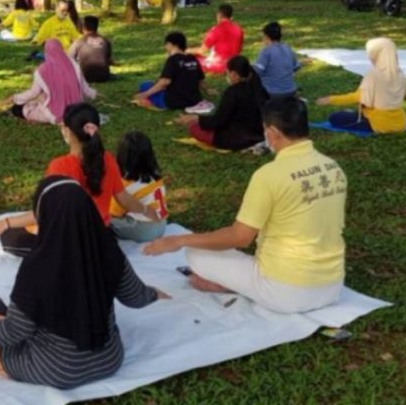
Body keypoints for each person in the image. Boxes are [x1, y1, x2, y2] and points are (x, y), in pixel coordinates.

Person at [0, 175, 168, 389]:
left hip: (57, 367)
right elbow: (135, 298)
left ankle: (2, 315)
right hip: (109, 358)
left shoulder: (37, 266)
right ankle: (7, 313)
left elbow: (14, 332)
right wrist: (153, 293)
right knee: (18, 320)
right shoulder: (108, 250)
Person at [145, 97, 347, 314]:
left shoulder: (269, 176)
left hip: (286, 292)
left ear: (272, 132)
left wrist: (179, 240)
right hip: (333, 286)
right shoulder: (333, 167)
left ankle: (231, 285)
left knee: (195, 253)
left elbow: (240, 237)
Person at [0, 103, 159, 257]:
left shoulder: (60, 166)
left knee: (9, 237)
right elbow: (124, 198)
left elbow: (45, 213)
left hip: (70, 241)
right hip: (100, 236)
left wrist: (5, 223)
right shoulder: (109, 159)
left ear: (66, 130)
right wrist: (147, 210)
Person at [316, 37, 406, 134]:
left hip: (379, 124)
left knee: (335, 117)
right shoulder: (399, 73)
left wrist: (331, 99)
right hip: (401, 123)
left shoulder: (374, 74)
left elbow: (358, 97)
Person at [175, 56, 268, 150]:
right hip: (260, 133)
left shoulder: (232, 92)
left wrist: (196, 118)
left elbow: (219, 121)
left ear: (234, 74)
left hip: (239, 138)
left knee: (194, 128)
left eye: (227, 73)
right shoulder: (259, 87)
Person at [0, 39, 96, 125]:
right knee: (38, 100)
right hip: (77, 111)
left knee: (19, 109)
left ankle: (22, 112)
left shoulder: (42, 71)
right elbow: (84, 87)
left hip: (55, 114)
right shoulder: (74, 64)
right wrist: (94, 94)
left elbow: (33, 93)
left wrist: (14, 98)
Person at [110, 132, 169, 242]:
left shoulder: (125, 184)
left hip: (143, 230)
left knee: (103, 219)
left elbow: (115, 213)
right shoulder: (156, 176)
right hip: (162, 225)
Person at [135, 31, 213, 110]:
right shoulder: (192, 58)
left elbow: (165, 82)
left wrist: (145, 94)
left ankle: (150, 100)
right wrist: (208, 90)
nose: (166, 47)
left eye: (167, 44)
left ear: (172, 44)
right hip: (194, 100)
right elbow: (201, 80)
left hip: (172, 101)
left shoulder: (173, 59)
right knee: (152, 85)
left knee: (145, 85)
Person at [188, 3, 244, 74]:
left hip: (219, 65)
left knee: (191, 58)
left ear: (219, 15)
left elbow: (202, 50)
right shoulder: (239, 29)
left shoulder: (216, 30)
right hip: (235, 64)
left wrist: (186, 50)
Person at [254, 22, 302, 99]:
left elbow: (258, 71)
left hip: (271, 92)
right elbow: (296, 66)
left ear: (266, 36)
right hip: (290, 90)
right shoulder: (288, 48)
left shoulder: (266, 52)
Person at [67, 15, 113, 83]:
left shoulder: (78, 42)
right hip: (104, 76)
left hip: (85, 76)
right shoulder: (105, 41)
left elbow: (69, 59)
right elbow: (108, 60)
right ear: (96, 27)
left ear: (84, 27)